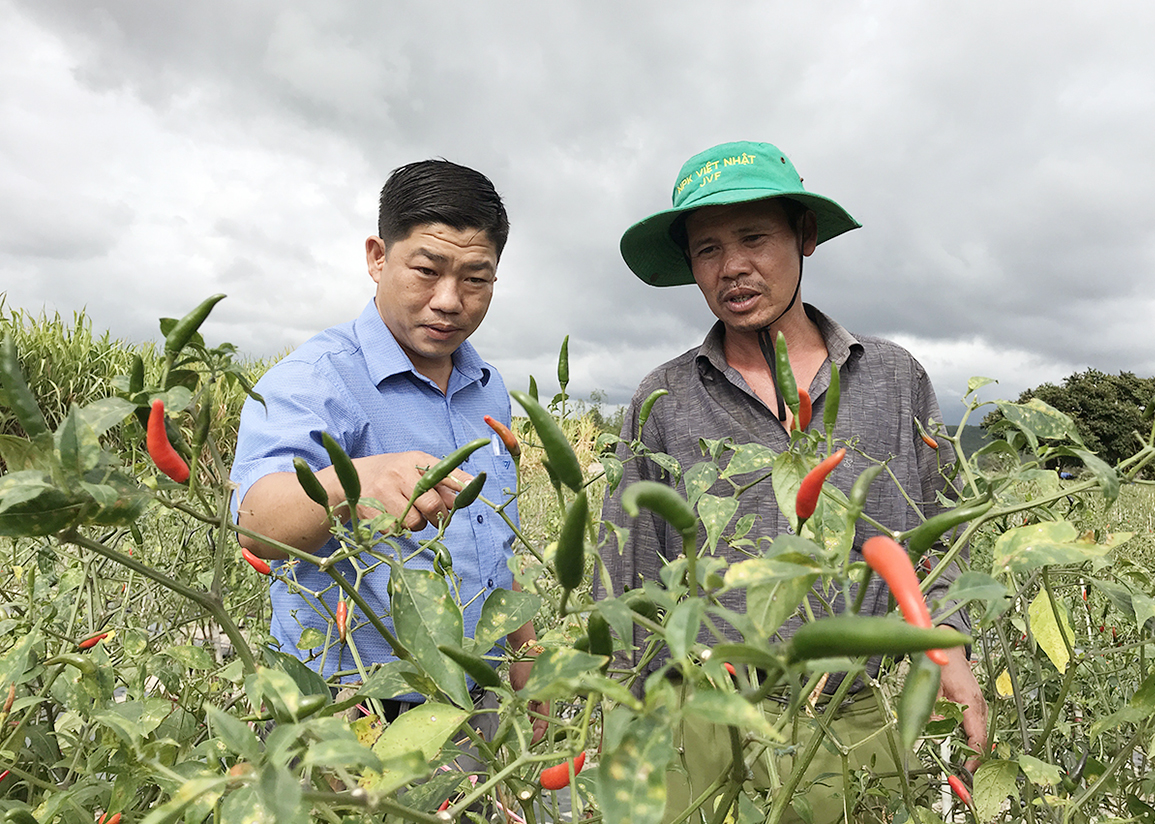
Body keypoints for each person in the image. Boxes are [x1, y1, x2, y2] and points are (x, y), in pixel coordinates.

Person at [601, 141, 986, 822]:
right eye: (708, 249)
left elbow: (936, 534)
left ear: (804, 237)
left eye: (754, 238)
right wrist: (626, 725)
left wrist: (948, 646)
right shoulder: (663, 397)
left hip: (852, 711)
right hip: (706, 710)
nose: (734, 268)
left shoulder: (893, 379)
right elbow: (629, 568)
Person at [230, 159, 542, 731]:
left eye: (476, 278)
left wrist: (528, 661)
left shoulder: (487, 388)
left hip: (482, 696)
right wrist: (354, 483)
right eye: (426, 269)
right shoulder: (317, 379)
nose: (450, 300)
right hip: (353, 707)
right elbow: (255, 521)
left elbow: (495, 549)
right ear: (378, 257)